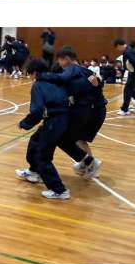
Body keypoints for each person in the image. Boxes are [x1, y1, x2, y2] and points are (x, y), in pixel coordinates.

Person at [38, 46, 104, 178]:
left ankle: (89, 164)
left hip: (91, 111)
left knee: (64, 137)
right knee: (78, 139)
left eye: (60, 60)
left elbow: (68, 85)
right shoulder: (85, 71)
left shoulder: (73, 71)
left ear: (67, 59)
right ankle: (89, 164)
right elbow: (97, 84)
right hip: (95, 110)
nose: (59, 63)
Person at [17, 58, 71, 200]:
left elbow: (37, 111)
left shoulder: (38, 85)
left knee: (42, 156)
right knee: (35, 141)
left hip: (54, 122)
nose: (29, 77)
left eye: (29, 74)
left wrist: (24, 123)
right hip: (61, 119)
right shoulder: (55, 80)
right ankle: (34, 171)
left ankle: (59, 190)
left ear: (34, 73)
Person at [113, 38, 135, 115]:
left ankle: (125, 109)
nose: (118, 50)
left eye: (117, 48)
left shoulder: (128, 52)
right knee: (130, 90)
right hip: (134, 73)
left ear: (119, 45)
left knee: (127, 90)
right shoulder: (129, 50)